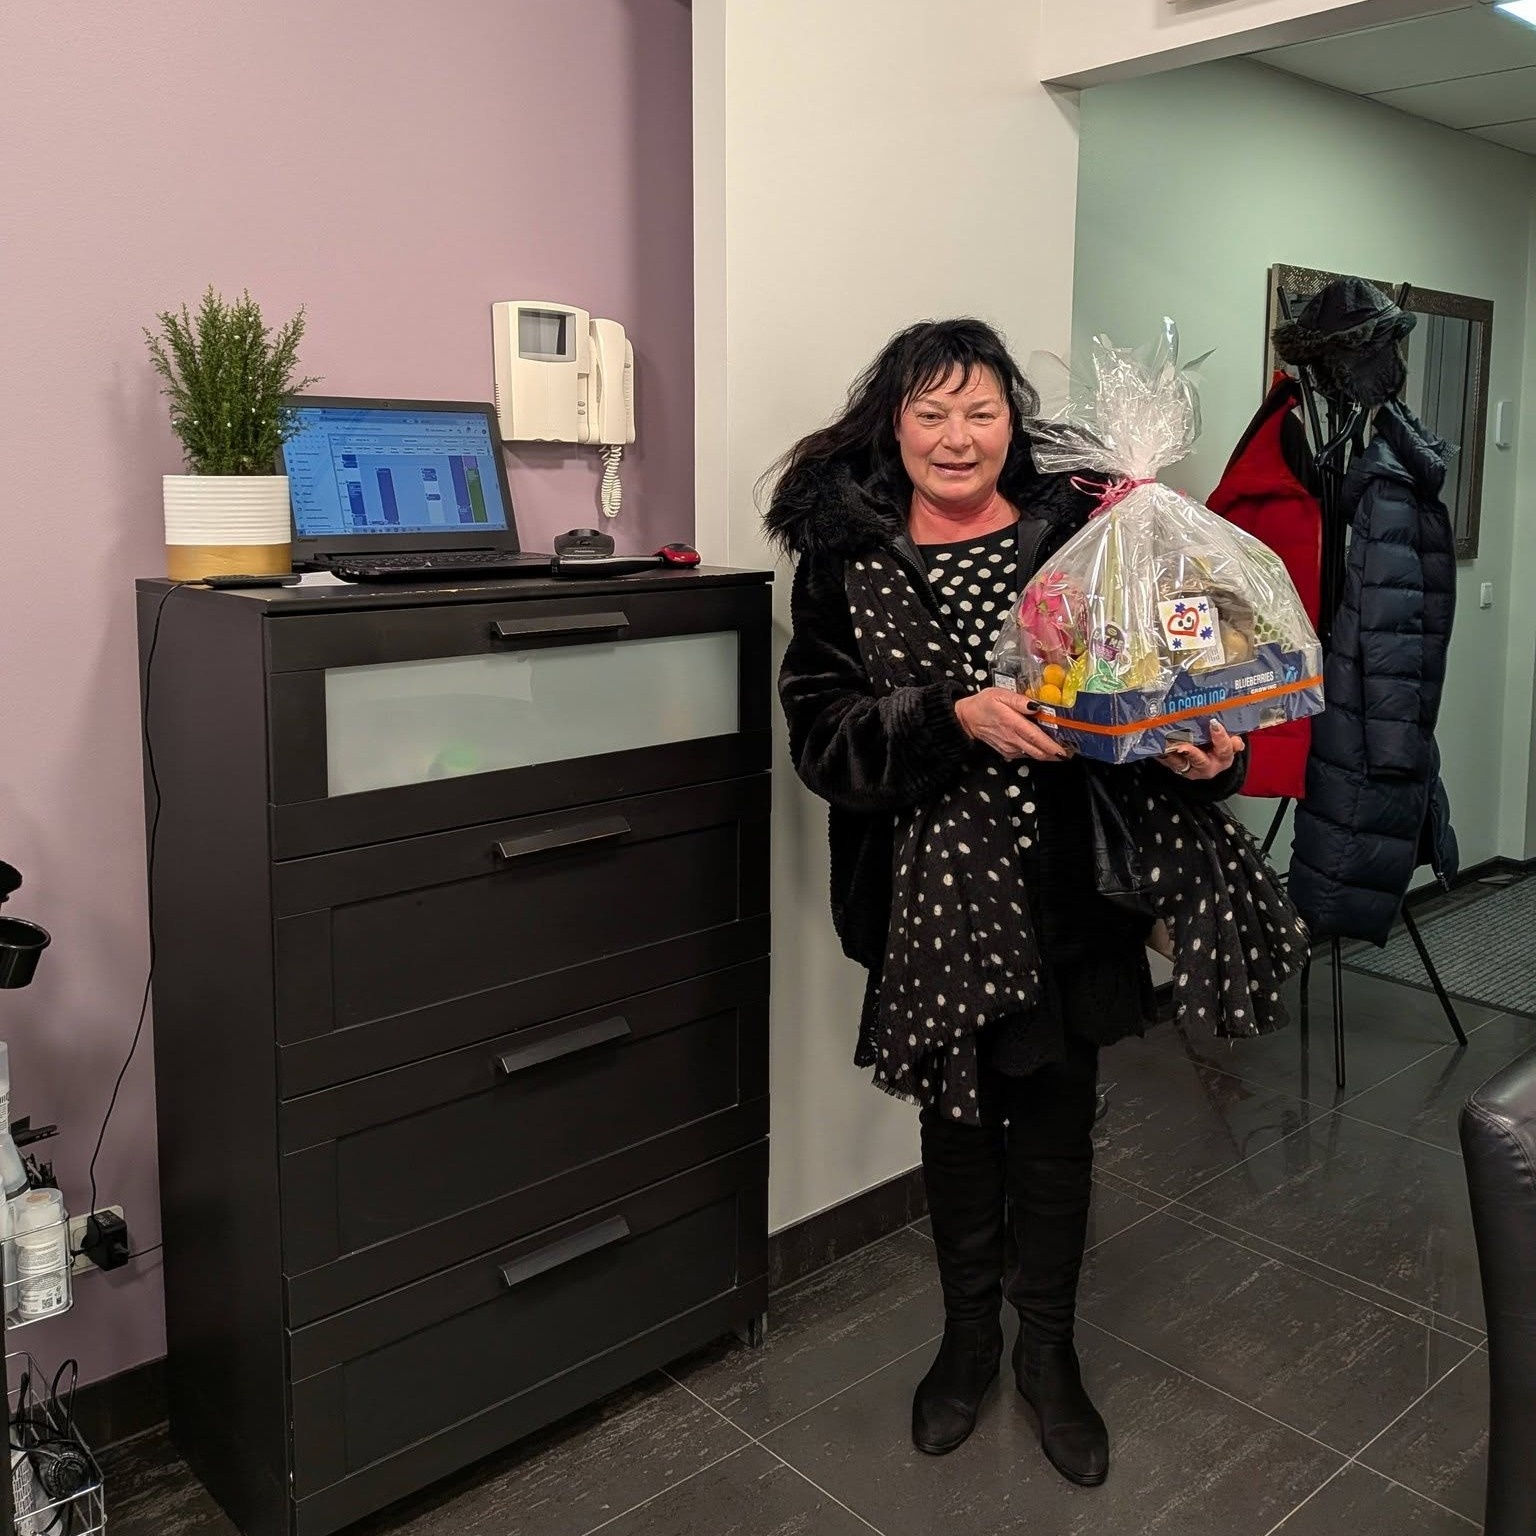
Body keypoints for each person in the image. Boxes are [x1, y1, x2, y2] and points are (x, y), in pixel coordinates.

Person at [763, 319, 1247, 1487]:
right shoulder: (846, 557)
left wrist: (1202, 744)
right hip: (932, 903)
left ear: (1011, 422)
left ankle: (1050, 1352)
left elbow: (1155, 680)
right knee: (960, 1131)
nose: (956, 436)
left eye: (979, 411)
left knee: (1058, 1131)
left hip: (1069, 892)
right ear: (893, 425)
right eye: (930, 413)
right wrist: (952, 715)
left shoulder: (1080, 528)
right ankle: (969, 1340)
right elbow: (822, 736)